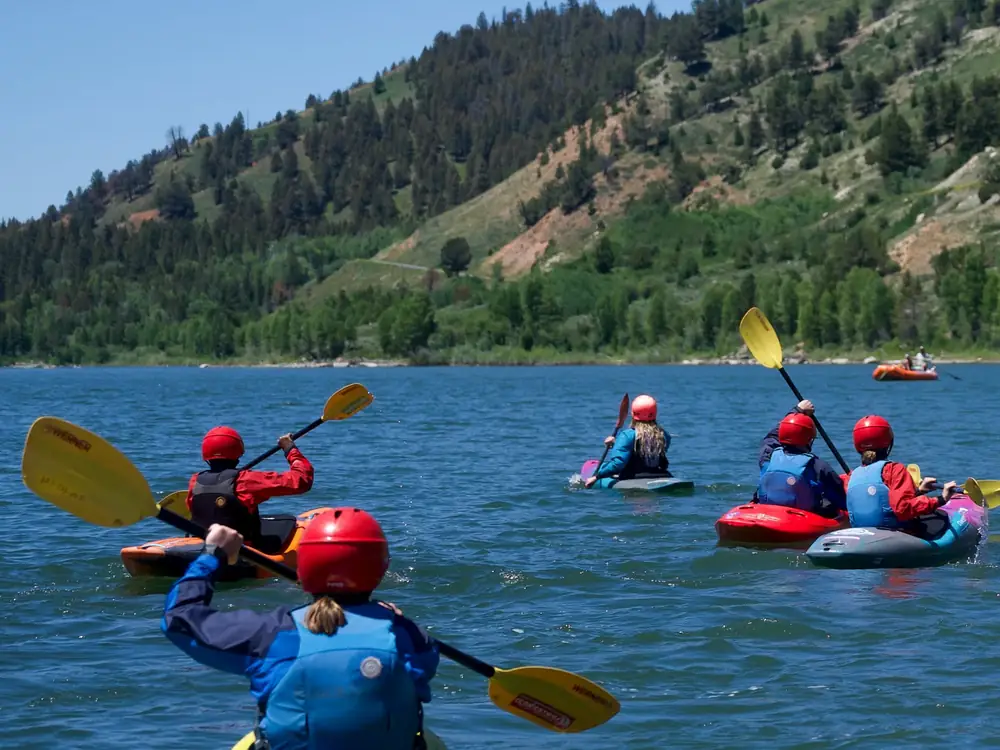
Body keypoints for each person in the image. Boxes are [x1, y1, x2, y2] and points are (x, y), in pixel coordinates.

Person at [161, 508, 440, 750]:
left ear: (304, 567)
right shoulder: (413, 639)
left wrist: (212, 555)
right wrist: (394, 620)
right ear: (381, 567)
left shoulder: (270, 634)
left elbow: (179, 618)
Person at [187, 426, 314, 547]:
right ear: (239, 451)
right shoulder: (246, 480)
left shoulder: (195, 481)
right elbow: (301, 480)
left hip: (202, 546)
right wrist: (290, 449)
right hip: (242, 553)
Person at [845, 415, 957, 529]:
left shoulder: (851, 477)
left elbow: (876, 502)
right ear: (889, 442)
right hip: (893, 529)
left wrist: (918, 491)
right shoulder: (895, 470)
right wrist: (940, 499)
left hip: (860, 530)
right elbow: (902, 509)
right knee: (940, 516)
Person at [752, 400, 846, 518]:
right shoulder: (817, 465)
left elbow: (771, 439)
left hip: (768, 512)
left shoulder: (768, 458)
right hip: (803, 516)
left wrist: (797, 410)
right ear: (809, 439)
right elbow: (842, 501)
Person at [585, 394, 670, 488]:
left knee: (603, 467)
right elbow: (647, 449)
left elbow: (618, 464)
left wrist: (596, 477)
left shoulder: (627, 435)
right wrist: (617, 443)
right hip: (661, 474)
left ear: (633, 413)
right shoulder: (664, 435)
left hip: (633, 477)